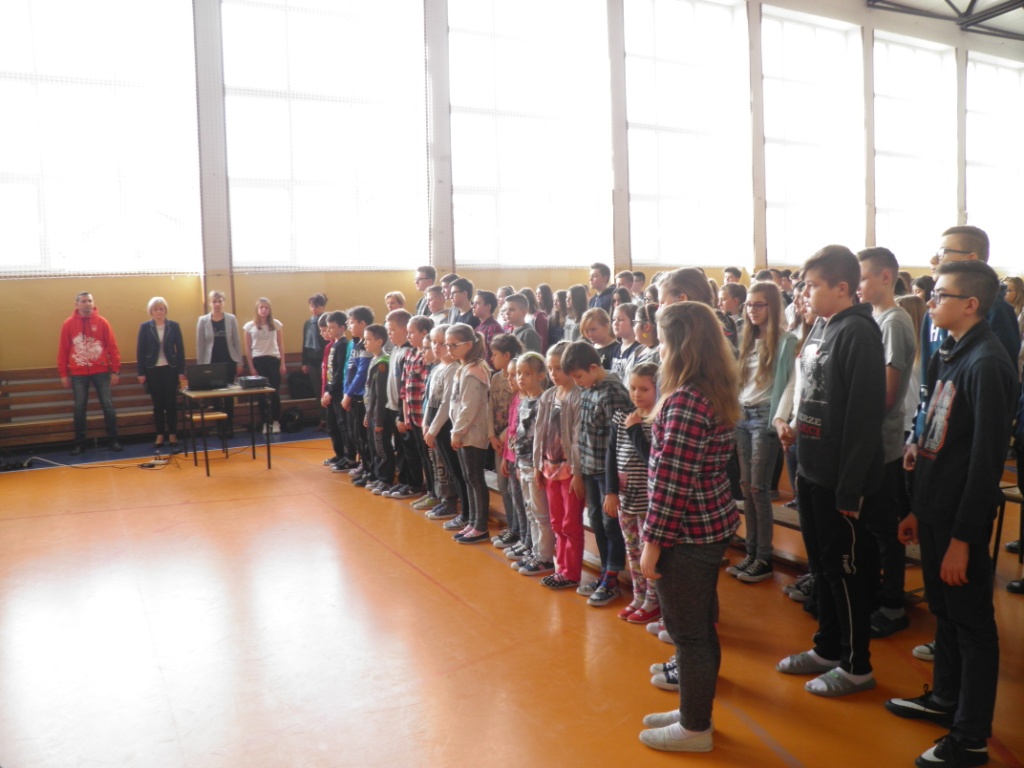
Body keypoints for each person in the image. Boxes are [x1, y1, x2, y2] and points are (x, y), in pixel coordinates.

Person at [888, 260, 1016, 768]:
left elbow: (985, 461)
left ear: (971, 305)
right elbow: (939, 439)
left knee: (973, 624)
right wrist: (918, 509)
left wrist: (963, 538)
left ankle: (971, 736)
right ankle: (944, 698)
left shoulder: (987, 363)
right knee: (944, 612)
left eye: (941, 294)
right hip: (937, 509)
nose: (931, 300)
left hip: (962, 519)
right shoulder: (952, 351)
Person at [775, 245, 886, 698]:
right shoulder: (823, 326)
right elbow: (812, 394)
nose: (804, 293)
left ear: (842, 288)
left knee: (846, 571)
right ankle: (828, 647)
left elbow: (863, 419)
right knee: (822, 567)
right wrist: (796, 429)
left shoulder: (859, 332)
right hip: (812, 471)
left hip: (841, 481)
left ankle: (857, 665)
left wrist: (849, 491)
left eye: (813, 285)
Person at [637, 302, 740, 754]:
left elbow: (672, 482)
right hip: (708, 523)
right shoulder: (709, 389)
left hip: (687, 533)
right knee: (699, 628)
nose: (658, 350)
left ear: (680, 346)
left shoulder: (685, 401)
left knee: (689, 634)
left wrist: (652, 542)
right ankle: (693, 712)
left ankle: (695, 727)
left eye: (662, 341)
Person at [857, 248, 918, 638]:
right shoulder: (873, 317)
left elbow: (888, 393)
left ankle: (893, 604)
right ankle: (876, 593)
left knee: (886, 527)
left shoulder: (894, 321)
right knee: (869, 526)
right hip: (869, 442)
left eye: (862, 277)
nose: (857, 285)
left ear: (885, 277)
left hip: (883, 443)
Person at [727, 281, 795, 584]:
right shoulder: (747, 339)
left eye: (759, 305)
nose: (752, 310)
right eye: (749, 305)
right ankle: (751, 552)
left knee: (759, 489)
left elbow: (790, 384)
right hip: (742, 415)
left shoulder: (786, 341)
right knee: (746, 487)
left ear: (772, 307)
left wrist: (780, 418)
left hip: (764, 417)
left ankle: (763, 557)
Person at [561, 340, 634, 607]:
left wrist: (612, 486)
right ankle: (605, 572)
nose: (577, 382)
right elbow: (582, 433)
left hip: (607, 472)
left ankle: (612, 578)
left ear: (594, 367)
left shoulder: (613, 392)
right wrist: (579, 471)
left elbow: (620, 440)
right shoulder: (589, 388)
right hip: (591, 468)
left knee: (610, 524)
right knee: (596, 521)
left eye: (579, 376)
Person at [606, 362, 659, 623]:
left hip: (649, 502)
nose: (637, 394)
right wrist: (611, 491)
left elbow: (652, 460)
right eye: (633, 388)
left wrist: (635, 429)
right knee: (633, 550)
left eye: (644, 389)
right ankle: (639, 595)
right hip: (626, 499)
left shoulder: (657, 420)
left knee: (648, 553)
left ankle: (654, 599)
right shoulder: (621, 417)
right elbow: (610, 456)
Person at [531, 341, 585, 589]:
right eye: (550, 369)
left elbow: (577, 438)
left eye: (558, 369)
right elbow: (539, 433)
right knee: (556, 522)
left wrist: (577, 472)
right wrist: (537, 465)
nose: (553, 374)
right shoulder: (548, 396)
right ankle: (560, 567)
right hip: (549, 468)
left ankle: (571, 572)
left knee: (570, 523)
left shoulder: (578, 396)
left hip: (570, 471)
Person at [58, 291, 122, 455]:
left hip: (101, 371)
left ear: (93, 303)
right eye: (84, 301)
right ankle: (80, 444)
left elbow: (112, 347)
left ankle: (113, 440)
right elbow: (63, 350)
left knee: (108, 405)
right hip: (78, 373)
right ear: (77, 304)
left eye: (90, 301)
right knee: (79, 407)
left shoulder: (102, 322)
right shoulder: (68, 324)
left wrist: (115, 370)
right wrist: (63, 374)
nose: (87, 304)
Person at [446, 323, 492, 543]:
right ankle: (472, 522)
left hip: (472, 433)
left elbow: (469, 407)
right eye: (448, 345)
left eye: (453, 345)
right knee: (468, 477)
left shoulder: (475, 371)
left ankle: (480, 526)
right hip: (464, 432)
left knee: (475, 478)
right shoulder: (464, 367)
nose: (449, 349)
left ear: (469, 345)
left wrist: (457, 432)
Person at [512, 352, 554, 575]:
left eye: (526, 373)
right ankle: (536, 551)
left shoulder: (543, 402)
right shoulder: (523, 401)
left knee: (541, 514)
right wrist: (519, 464)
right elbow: (520, 435)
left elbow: (542, 438)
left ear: (540, 375)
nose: (521, 378)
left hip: (536, 466)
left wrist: (538, 467)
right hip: (524, 464)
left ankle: (545, 557)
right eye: (519, 373)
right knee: (530, 511)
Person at [488, 333, 525, 549]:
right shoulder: (495, 378)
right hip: (498, 441)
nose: (491, 358)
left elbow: (515, 418)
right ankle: (513, 526)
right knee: (504, 486)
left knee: (515, 490)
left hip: (509, 442)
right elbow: (490, 407)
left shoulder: (517, 382)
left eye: (495, 354)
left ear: (507, 355)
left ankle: (520, 531)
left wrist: (502, 436)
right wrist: (491, 435)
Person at [136, 296, 186, 452]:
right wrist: (141, 372)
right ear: (151, 311)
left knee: (171, 403)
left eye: (161, 309)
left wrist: (181, 371)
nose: (159, 312)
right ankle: (159, 434)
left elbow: (180, 350)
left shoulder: (174, 326)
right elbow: (140, 351)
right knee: (158, 404)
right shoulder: (145, 327)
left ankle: (172, 434)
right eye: (156, 309)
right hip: (152, 370)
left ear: (165, 310)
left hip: (170, 368)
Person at [383, 309, 421, 499]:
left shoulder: (406, 352)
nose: (389, 334)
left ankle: (413, 484)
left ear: (404, 330)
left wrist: (400, 414)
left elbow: (404, 387)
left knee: (409, 450)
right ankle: (404, 481)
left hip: (403, 411)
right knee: (400, 448)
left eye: (392, 330)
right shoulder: (396, 350)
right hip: (392, 407)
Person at [196, 290, 244, 435]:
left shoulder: (231, 319)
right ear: (210, 303)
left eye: (220, 301)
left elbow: (236, 341)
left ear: (224, 302)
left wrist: (239, 362)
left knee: (229, 395)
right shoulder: (203, 320)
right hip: (211, 362)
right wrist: (201, 367)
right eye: (214, 301)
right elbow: (200, 345)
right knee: (216, 396)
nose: (217, 304)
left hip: (229, 361)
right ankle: (219, 426)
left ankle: (229, 425)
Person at [401, 315, 436, 502]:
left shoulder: (428, 358)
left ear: (424, 333)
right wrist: (406, 414)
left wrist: (427, 420)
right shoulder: (409, 354)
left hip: (425, 417)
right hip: (413, 415)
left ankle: (436, 493)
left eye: (412, 332)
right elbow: (404, 388)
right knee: (422, 455)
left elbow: (427, 391)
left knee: (431, 457)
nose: (408, 336)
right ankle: (429, 491)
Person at [243, 297, 286, 434]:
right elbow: (248, 348)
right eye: (261, 307)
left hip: (273, 360)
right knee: (261, 394)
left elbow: (281, 345)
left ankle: (276, 421)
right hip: (258, 361)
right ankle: (265, 422)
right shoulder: (249, 326)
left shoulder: (276, 324)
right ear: (257, 309)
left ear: (269, 310)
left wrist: (282, 363)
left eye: (266, 308)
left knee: (274, 392)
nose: (263, 310)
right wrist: (251, 367)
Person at [343, 306, 375, 486]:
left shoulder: (366, 346)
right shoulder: (356, 344)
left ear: (362, 323)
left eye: (352, 322)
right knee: (356, 435)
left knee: (364, 437)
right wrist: (346, 392)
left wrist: (348, 394)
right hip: (352, 396)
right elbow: (349, 371)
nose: (349, 326)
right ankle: (365, 466)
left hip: (361, 397)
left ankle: (370, 470)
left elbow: (361, 374)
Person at [362, 323, 394, 494]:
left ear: (380, 341)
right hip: (372, 413)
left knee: (382, 448)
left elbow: (381, 395)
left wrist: (379, 420)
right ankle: (376, 475)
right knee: (374, 446)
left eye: (368, 339)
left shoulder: (383, 363)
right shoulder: (374, 360)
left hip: (380, 415)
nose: (365, 342)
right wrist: (368, 413)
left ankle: (385, 479)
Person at [321, 310, 351, 470]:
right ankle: (339, 454)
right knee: (332, 426)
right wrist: (326, 390)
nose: (329, 330)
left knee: (342, 425)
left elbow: (339, 373)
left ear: (342, 328)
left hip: (338, 392)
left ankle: (348, 456)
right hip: (331, 391)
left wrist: (331, 391)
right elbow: (329, 372)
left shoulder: (343, 345)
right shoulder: (334, 345)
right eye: (328, 327)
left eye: (332, 327)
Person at [302, 293, 329, 428]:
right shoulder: (308, 323)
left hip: (325, 360)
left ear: (323, 307)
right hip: (312, 361)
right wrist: (304, 362)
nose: (314, 309)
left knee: (327, 390)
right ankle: (323, 419)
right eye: (312, 306)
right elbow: (304, 344)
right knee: (317, 391)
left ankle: (330, 419)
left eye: (317, 306)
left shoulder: (327, 321)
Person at [610, 303, 641, 380]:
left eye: (621, 319)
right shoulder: (615, 349)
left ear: (633, 323)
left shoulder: (638, 350)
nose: (615, 323)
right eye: (614, 319)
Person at [471, 290, 502, 365]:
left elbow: (493, 355)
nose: (473, 306)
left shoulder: (493, 328)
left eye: (477, 303)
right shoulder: (478, 328)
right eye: (473, 303)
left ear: (488, 307)